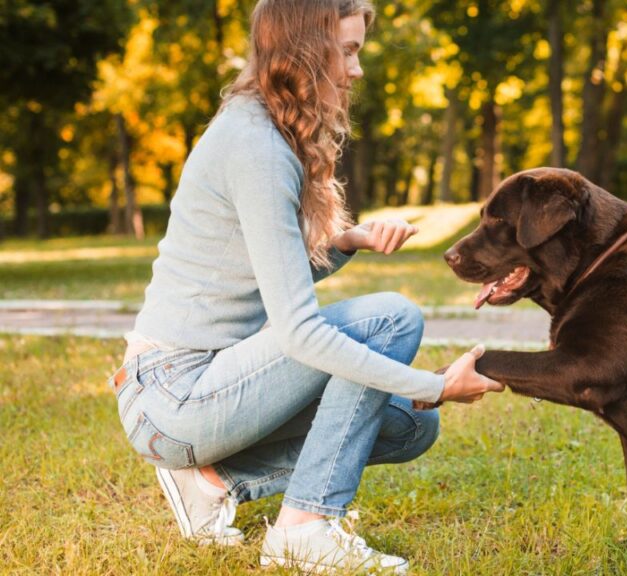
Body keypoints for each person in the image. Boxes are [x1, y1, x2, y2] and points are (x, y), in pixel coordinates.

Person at [106, 0, 502, 572]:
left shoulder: (267, 129)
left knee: (412, 427)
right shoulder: (257, 146)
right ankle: (305, 528)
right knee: (391, 319)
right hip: (172, 393)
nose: (357, 69)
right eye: (347, 52)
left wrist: (345, 243)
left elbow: (264, 275)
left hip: (215, 384)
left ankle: (214, 479)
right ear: (304, 53)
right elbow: (298, 333)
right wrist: (433, 383)